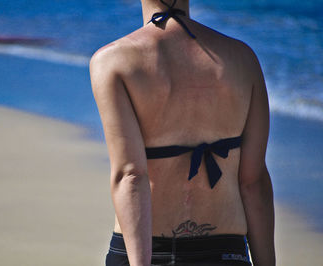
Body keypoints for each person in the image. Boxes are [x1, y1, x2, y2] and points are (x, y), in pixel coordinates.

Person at [89, 0, 275, 265]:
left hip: (142, 250)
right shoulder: (243, 58)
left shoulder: (113, 61)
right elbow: (253, 182)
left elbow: (131, 175)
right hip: (225, 251)